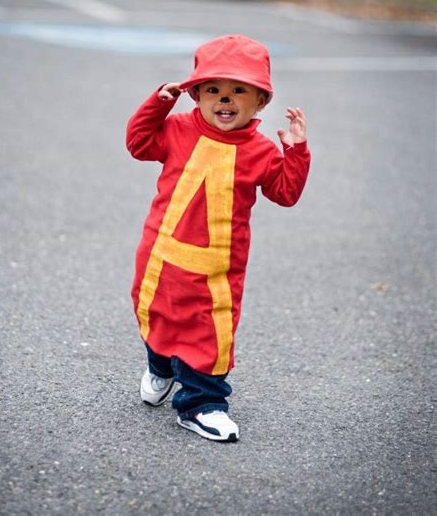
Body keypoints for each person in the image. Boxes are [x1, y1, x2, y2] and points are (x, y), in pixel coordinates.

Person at [126, 34, 311, 442]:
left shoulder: (260, 150)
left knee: (210, 332)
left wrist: (295, 151)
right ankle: (161, 366)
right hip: (162, 251)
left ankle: (201, 404)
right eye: (213, 90)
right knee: (157, 313)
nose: (224, 100)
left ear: (260, 101)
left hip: (217, 265)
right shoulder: (176, 128)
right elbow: (138, 144)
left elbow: (285, 193)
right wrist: (159, 102)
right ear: (195, 95)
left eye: (238, 91)